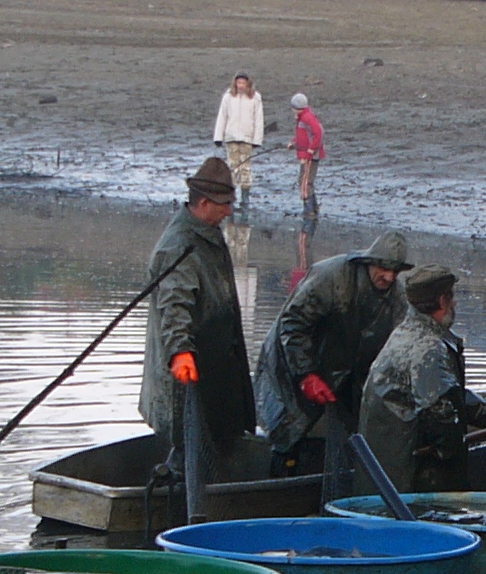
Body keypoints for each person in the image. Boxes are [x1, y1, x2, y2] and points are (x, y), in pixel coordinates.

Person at [358, 267, 486, 493]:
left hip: (383, 466)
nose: (456, 304)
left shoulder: (405, 331)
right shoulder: (428, 348)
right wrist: (456, 468)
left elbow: (451, 395)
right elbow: (443, 420)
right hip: (405, 474)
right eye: (453, 297)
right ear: (443, 301)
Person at [254, 229, 411, 470]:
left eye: (395, 271)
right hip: (293, 359)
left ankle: (334, 475)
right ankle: (280, 473)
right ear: (369, 261)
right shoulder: (330, 277)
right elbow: (293, 326)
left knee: (352, 432)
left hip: (346, 370)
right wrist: (305, 375)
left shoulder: (397, 298)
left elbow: (397, 349)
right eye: (383, 268)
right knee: (287, 427)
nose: (389, 277)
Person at [141, 157, 257, 474]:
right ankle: (180, 498)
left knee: (219, 438)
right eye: (224, 204)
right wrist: (180, 351)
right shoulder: (178, 245)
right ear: (203, 203)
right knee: (188, 446)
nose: (229, 211)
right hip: (189, 370)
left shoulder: (207, 231)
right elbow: (174, 304)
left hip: (217, 364)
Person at [214, 74, 264, 208]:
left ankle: (245, 198)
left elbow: (258, 119)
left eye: (243, 83)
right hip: (231, 138)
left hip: (247, 138)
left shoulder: (255, 97)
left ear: (248, 84)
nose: (241, 86)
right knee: (233, 167)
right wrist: (218, 137)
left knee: (246, 168)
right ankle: (232, 196)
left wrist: (257, 139)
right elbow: (222, 117)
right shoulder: (228, 97)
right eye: (238, 83)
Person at [291, 92, 324, 219]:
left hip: (310, 156)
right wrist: (293, 143)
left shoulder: (307, 118)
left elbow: (318, 133)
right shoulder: (303, 119)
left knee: (304, 182)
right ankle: (313, 207)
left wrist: (311, 150)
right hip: (305, 153)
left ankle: (309, 210)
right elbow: (302, 137)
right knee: (306, 180)